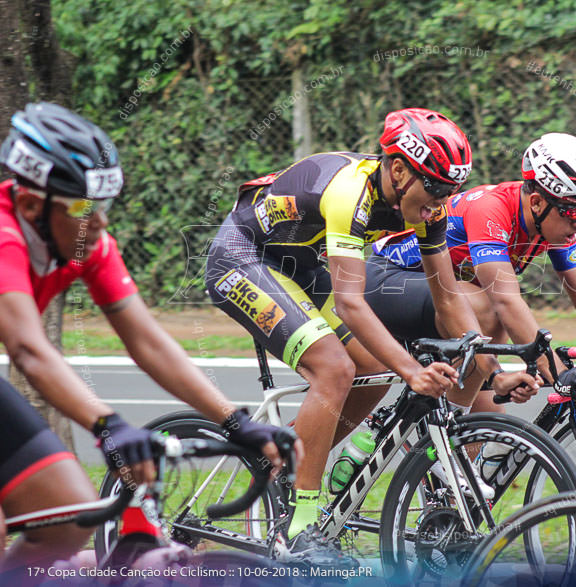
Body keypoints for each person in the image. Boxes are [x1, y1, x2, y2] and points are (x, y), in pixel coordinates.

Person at [205, 107, 539, 561]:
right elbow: (351, 303)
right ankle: (298, 526)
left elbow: (447, 300)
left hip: (298, 264)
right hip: (243, 258)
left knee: (375, 368)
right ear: (398, 170)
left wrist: (492, 370)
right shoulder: (349, 193)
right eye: (436, 187)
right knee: (335, 366)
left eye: (452, 190)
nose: (441, 200)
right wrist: (413, 372)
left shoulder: (426, 209)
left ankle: (290, 460)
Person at [0, 103, 298, 571]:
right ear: (32, 205)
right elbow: (27, 349)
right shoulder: (4, 236)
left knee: (71, 518)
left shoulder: (85, 242)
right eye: (84, 208)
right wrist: (107, 425)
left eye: (104, 207)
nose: (100, 222)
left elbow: (147, 341)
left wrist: (237, 423)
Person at [366, 132, 576, 408]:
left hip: (447, 302)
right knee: (489, 311)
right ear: (536, 202)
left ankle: (453, 443)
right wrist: (559, 374)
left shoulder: (554, 226)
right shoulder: (492, 209)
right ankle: (448, 433)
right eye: (573, 212)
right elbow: (505, 300)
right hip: (390, 280)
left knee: (490, 434)